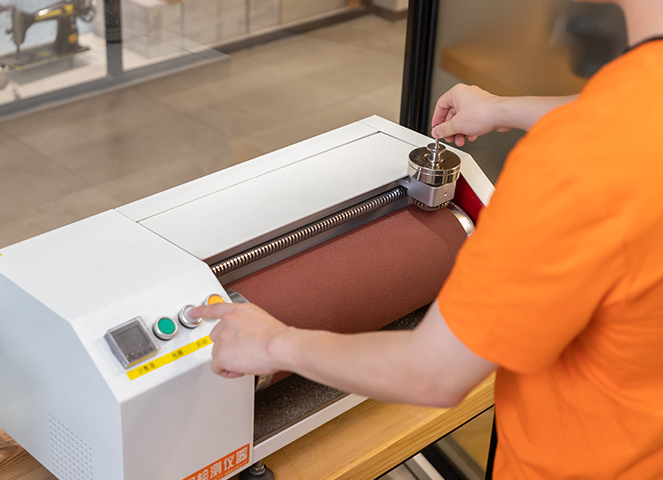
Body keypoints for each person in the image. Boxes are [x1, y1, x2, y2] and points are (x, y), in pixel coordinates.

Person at [191, 1, 663, 477]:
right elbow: (627, 118)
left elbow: (434, 373)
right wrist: (501, 109)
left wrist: (274, 344)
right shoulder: (620, 123)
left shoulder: (574, 165)